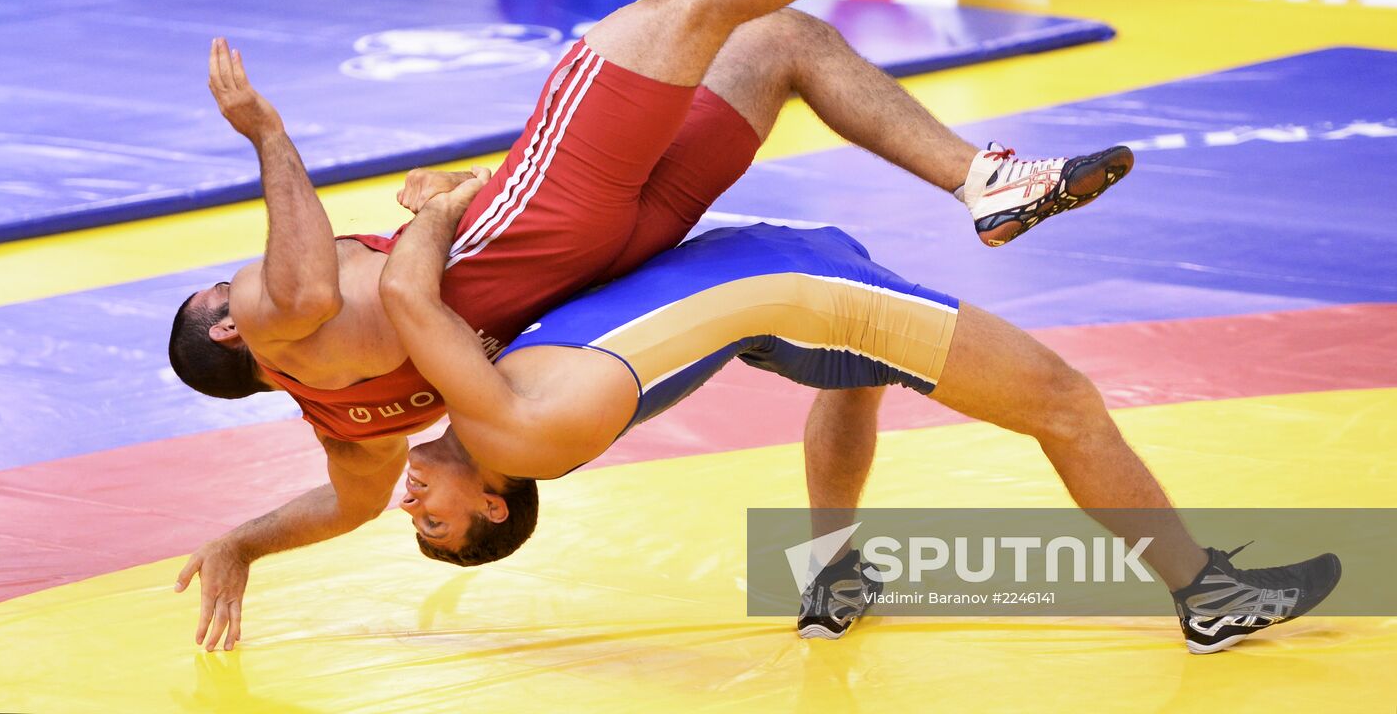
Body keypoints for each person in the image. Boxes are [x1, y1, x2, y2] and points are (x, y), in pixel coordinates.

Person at [171, 0, 1128, 650]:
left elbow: (344, 506)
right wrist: (279, 139)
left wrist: (242, 543)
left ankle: (983, 182)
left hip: (621, 254)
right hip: (546, 217)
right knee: (691, 0)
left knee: (780, 43)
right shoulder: (280, 324)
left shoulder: (355, 430)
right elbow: (333, 294)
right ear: (227, 331)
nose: (410, 504)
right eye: (224, 289)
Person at [378, 182, 1343, 653]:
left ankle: (831, 574)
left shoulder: (477, 395)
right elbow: (409, 300)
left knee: (854, 381)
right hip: (805, 290)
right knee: (1067, 404)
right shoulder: (511, 425)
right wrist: (436, 206)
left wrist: (246, 543)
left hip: (777, 291)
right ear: (496, 505)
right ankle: (1206, 594)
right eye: (434, 518)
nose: (409, 499)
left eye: (414, 514)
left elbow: (344, 464)